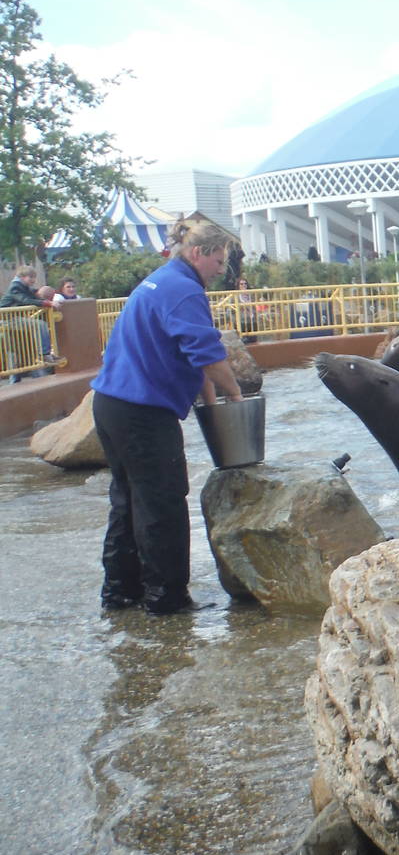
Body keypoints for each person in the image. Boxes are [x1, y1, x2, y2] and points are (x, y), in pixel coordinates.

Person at [91, 218, 244, 614]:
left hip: (111, 404)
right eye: (218, 260)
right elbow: (208, 354)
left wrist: (210, 404)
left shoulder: (161, 279)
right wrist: (235, 394)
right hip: (142, 411)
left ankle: (121, 591)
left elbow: (189, 358)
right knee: (162, 503)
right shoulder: (183, 290)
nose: (220, 269)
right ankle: (166, 598)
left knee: (127, 499)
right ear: (198, 254)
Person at [3, 265, 64, 378]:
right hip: (6, 318)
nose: (33, 280)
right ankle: (45, 354)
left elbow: (35, 295)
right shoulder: (15, 287)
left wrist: (48, 300)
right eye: (30, 277)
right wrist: (48, 303)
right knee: (39, 325)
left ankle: (43, 355)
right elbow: (25, 300)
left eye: (34, 277)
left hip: (14, 318)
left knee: (34, 330)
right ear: (21, 277)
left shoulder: (24, 287)